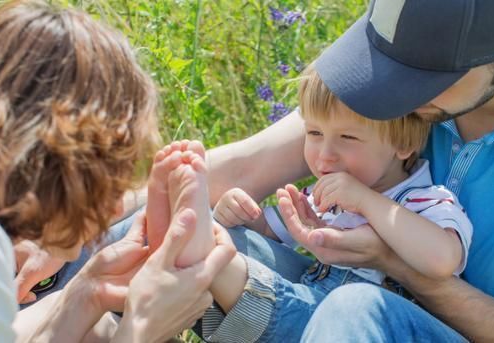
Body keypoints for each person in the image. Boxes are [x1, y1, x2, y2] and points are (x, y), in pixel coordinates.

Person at [206, 0, 494, 341]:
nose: (396, 91)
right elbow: (243, 168)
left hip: (371, 317)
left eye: (428, 78)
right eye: (388, 65)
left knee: (354, 308)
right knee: (185, 233)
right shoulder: (416, 50)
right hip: (332, 309)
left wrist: (392, 261)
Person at [0, 1, 234, 341]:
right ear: (67, 158)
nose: (117, 207)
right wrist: (143, 329)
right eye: (113, 175)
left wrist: (88, 293)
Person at [195, 61, 473, 342]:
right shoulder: (324, 194)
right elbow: (268, 231)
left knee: (339, 305)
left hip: (366, 328)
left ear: (402, 145)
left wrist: (366, 201)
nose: (325, 155)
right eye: (314, 133)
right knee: (222, 236)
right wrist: (241, 214)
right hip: (314, 311)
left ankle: (235, 289)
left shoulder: (424, 199)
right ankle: (216, 274)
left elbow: (443, 260)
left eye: (348, 137)